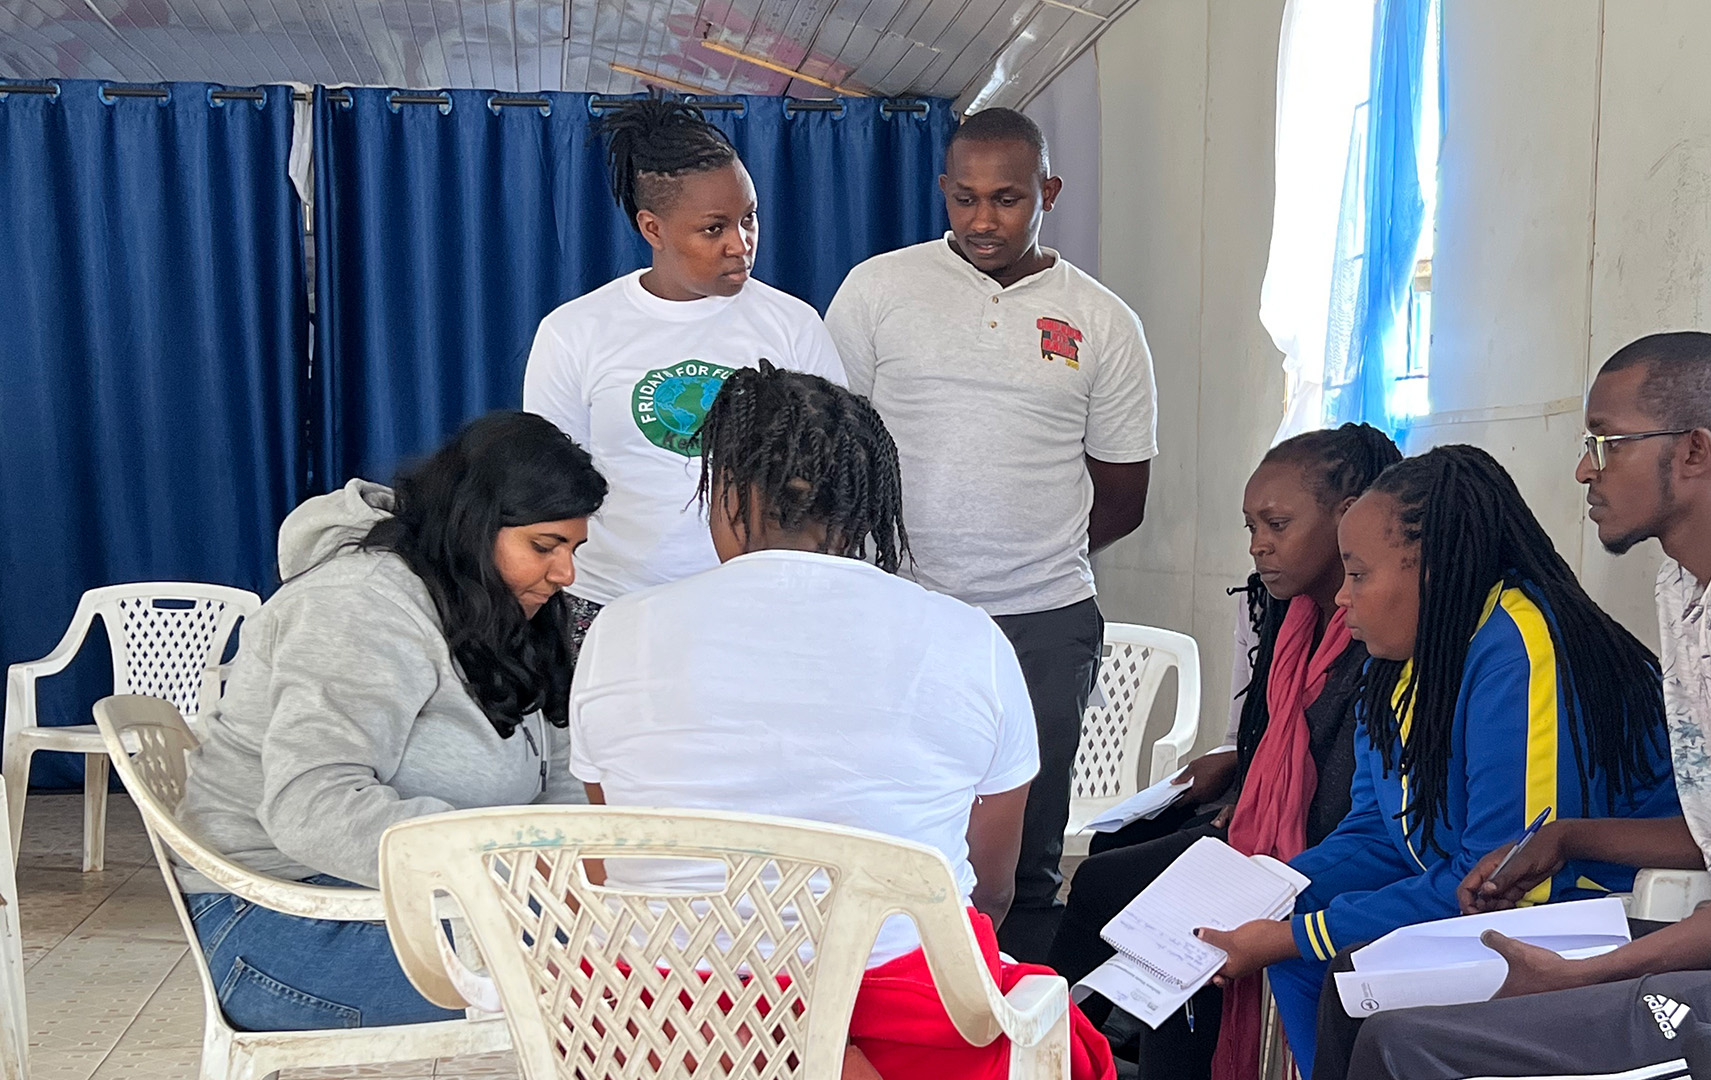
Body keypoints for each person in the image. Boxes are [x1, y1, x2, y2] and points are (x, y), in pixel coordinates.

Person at [1343, 332, 1711, 1080]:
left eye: (1606, 443)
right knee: (1360, 985)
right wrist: (1572, 837)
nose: (1585, 469)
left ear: (1695, 452)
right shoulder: (1693, 582)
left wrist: (1595, 972)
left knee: (1405, 1044)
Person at [568, 361, 1114, 1080]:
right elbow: (993, 885)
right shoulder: (967, 638)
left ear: (728, 493)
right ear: (863, 504)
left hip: (671, 1023)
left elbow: (615, 859)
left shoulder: (620, 630)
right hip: (911, 1022)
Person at [1196, 444, 1683, 1078]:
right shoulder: (1400, 655)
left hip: (1586, 915)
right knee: (1294, 939)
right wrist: (1263, 896)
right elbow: (1378, 831)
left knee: (1329, 961)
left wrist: (1291, 933)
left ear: (1433, 570)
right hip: (1477, 891)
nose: (1341, 597)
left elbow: (1509, 881)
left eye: (1359, 574)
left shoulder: (1519, 645)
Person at [825, 107, 1159, 961]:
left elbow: (1122, 496)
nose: (982, 219)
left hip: (1042, 624)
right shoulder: (876, 290)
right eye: (965, 197)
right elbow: (835, 453)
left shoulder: (1104, 322)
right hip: (898, 614)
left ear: (1047, 192)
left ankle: (1017, 1025)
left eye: (1007, 199)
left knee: (1030, 855)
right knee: (889, 831)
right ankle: (894, 1007)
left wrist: (1026, 561)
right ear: (943, 189)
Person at [174, 411, 605, 1031]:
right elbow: (312, 806)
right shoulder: (358, 604)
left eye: (573, 549)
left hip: (400, 899)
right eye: (544, 546)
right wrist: (507, 863)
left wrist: (577, 866)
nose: (565, 573)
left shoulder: (501, 611)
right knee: (615, 974)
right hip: (280, 920)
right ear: (473, 527)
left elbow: (558, 780)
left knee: (642, 937)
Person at [1045, 423, 1401, 1080]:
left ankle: (1076, 1046)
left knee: (1157, 915)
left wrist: (1244, 847)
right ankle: (1071, 1046)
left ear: (1348, 518)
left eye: (1277, 524)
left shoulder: (1380, 628)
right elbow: (1274, 736)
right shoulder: (1286, 612)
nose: (1260, 545)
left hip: (1315, 853)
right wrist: (1239, 774)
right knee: (1114, 860)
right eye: (1251, 528)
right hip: (1265, 834)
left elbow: (1344, 790)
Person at [523, 100, 844, 649]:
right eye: (713, 228)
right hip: (613, 602)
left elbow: (832, 466)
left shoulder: (793, 323)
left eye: (749, 217)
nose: (740, 244)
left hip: (755, 601)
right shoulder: (574, 331)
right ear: (653, 227)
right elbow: (549, 485)